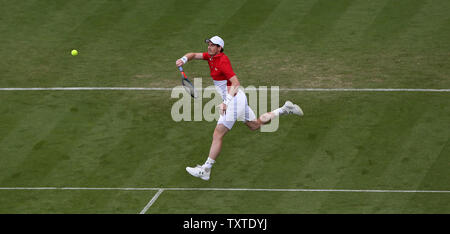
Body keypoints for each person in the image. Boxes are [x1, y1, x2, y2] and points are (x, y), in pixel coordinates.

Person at [175, 36, 303, 181]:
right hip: (238, 98)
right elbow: (192, 55)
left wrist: (226, 103)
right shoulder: (210, 57)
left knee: (218, 134)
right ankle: (284, 109)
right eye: (209, 44)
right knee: (254, 125)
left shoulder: (222, 61)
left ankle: (206, 169)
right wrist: (183, 60)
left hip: (234, 100)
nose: (209, 47)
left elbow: (235, 83)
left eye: (212, 45)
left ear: (219, 48)